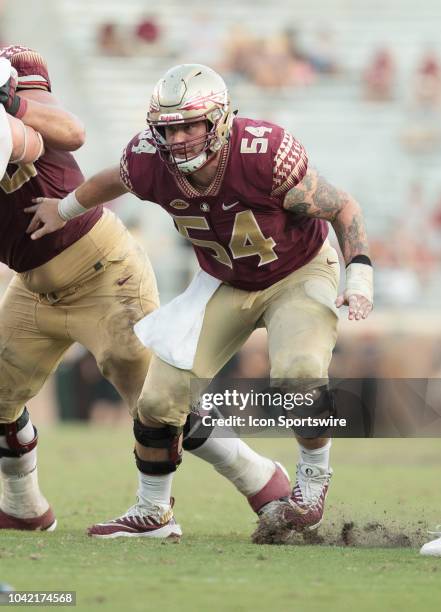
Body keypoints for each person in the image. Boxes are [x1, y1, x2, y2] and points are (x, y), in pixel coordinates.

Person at [27, 63, 373, 540]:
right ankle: (153, 512)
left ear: (220, 120)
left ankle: (312, 480)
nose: (180, 138)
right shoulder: (149, 160)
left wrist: (360, 271)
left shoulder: (263, 155)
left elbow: (341, 206)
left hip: (298, 270)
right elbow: (116, 179)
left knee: (298, 375)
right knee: (157, 401)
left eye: (190, 124)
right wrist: (62, 208)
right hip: (224, 279)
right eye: (168, 127)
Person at [0, 49, 291, 535]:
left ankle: (257, 477)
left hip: (102, 273)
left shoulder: (23, 91)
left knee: (157, 404)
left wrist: (15, 104)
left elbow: (69, 132)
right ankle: (23, 506)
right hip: (31, 287)